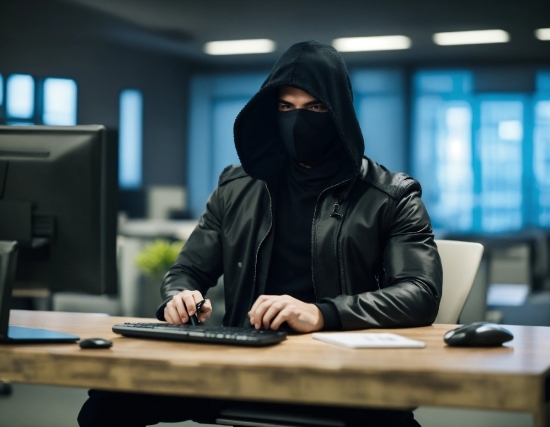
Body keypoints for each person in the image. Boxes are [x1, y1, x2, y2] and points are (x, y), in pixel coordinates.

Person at [78, 40, 442, 427]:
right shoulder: (236, 187)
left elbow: (420, 292)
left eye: (315, 107)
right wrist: (180, 297)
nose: (299, 120)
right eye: (286, 107)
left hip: (342, 369)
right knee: (106, 404)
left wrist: (322, 314)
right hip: (241, 363)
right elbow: (186, 271)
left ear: (339, 112)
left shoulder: (392, 195)